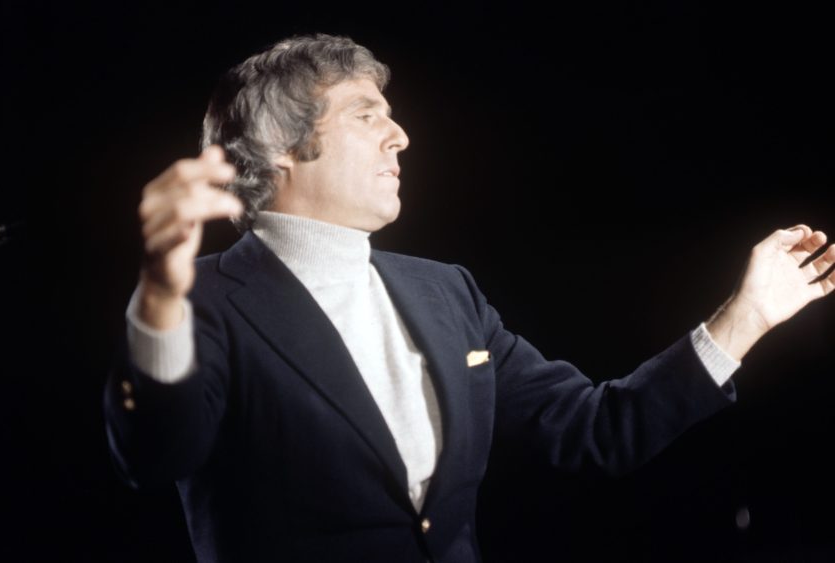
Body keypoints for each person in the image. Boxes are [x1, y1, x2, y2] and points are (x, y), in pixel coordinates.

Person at [104, 34, 834, 562]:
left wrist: (746, 317)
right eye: (366, 114)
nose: (400, 135)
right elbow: (156, 454)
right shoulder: (196, 301)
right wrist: (163, 291)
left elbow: (599, 430)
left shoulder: (445, 291)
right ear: (280, 147)